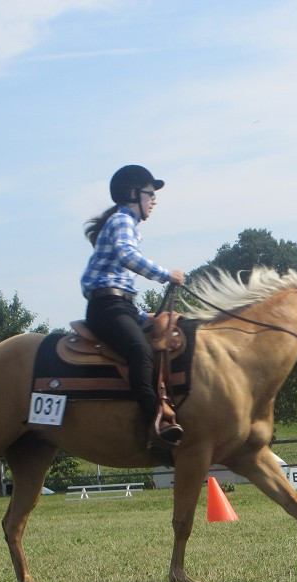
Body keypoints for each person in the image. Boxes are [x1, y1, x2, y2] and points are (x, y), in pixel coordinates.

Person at [81, 165, 186, 453]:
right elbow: (128, 257)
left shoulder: (124, 223)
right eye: (150, 194)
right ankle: (156, 425)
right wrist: (167, 275)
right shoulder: (122, 220)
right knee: (140, 351)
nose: (154, 200)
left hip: (119, 305)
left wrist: (142, 316)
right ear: (132, 194)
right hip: (106, 307)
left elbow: (123, 289)